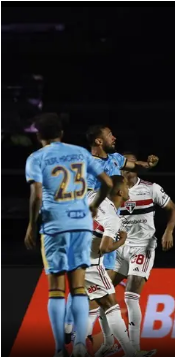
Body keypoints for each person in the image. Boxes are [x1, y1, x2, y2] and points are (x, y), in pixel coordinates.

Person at [24, 113, 113, 357]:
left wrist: (32, 225)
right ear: (61, 133)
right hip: (82, 224)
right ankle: (81, 346)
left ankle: (58, 348)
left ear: (38, 135)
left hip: (55, 225)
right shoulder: (80, 153)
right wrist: (94, 207)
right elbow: (107, 182)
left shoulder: (36, 158)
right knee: (78, 287)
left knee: (55, 289)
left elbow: (37, 196)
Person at [65, 125, 160, 345]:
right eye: (109, 135)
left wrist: (148, 164)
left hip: (107, 230)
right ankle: (70, 327)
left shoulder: (116, 159)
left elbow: (134, 165)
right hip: (91, 227)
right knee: (93, 289)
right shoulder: (87, 165)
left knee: (100, 292)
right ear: (99, 141)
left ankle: (102, 342)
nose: (114, 137)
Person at [109, 152, 175, 352]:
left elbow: (173, 209)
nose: (124, 168)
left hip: (143, 245)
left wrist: (169, 231)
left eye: (128, 164)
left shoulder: (150, 188)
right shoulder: (114, 190)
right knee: (102, 292)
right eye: (122, 165)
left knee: (131, 296)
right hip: (119, 247)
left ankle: (135, 349)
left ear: (135, 167)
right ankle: (109, 342)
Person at [87, 175, 155, 357]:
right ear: (119, 192)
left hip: (73, 257)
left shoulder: (95, 198)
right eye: (126, 186)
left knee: (94, 304)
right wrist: (122, 239)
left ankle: (72, 347)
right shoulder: (113, 219)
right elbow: (105, 247)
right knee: (110, 304)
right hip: (90, 265)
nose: (128, 189)